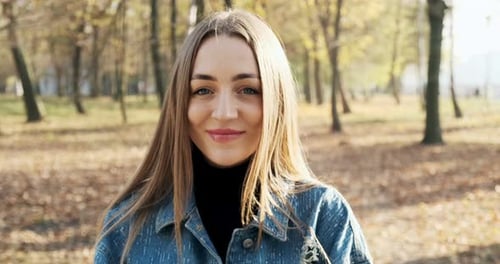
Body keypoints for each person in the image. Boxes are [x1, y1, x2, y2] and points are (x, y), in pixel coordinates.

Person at [94, 9, 372, 264]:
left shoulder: (323, 218)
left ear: (278, 101)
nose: (225, 112)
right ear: (180, 103)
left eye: (248, 90)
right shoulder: (126, 229)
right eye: (203, 90)